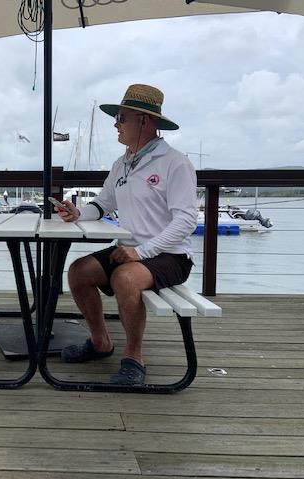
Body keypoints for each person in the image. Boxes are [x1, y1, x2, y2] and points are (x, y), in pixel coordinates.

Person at [56, 84, 197, 385]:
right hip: (131, 250)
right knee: (79, 272)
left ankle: (134, 358)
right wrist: (79, 213)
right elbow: (103, 203)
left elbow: (186, 220)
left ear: (144, 121)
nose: (115, 124)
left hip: (170, 255)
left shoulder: (175, 162)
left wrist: (141, 252)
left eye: (121, 117)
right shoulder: (122, 163)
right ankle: (99, 342)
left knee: (126, 277)